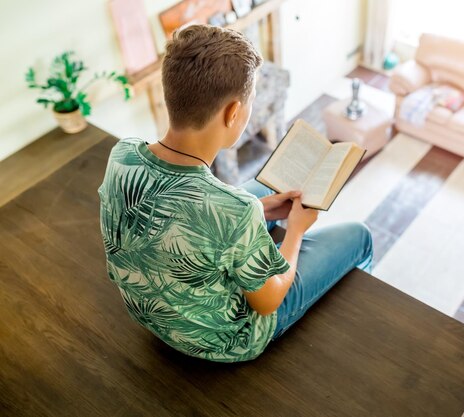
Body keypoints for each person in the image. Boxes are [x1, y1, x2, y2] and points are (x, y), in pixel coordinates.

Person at [98, 24, 372, 363]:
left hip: (147, 311)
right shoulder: (234, 211)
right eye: (250, 103)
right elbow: (268, 301)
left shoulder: (123, 153)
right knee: (360, 236)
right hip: (223, 341)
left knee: (256, 192)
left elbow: (180, 213)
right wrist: (297, 230)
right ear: (232, 113)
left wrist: (260, 209)